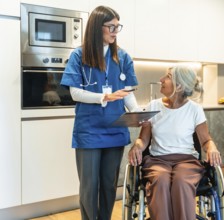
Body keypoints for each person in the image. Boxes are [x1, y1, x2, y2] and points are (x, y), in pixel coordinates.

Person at [60, 5, 140, 220]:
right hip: (89, 131)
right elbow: (75, 93)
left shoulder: (122, 57)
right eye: (111, 27)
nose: (115, 31)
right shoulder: (79, 55)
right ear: (97, 27)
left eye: (117, 27)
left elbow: (128, 93)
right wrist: (102, 97)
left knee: (108, 185)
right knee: (89, 186)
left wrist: (139, 113)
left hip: (115, 129)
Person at [128, 65, 222, 220]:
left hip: (186, 161)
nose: (161, 80)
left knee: (182, 181)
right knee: (160, 180)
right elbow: (143, 139)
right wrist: (137, 146)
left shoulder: (194, 109)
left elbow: (206, 140)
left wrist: (212, 148)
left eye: (168, 77)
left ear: (179, 86)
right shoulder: (153, 106)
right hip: (157, 160)